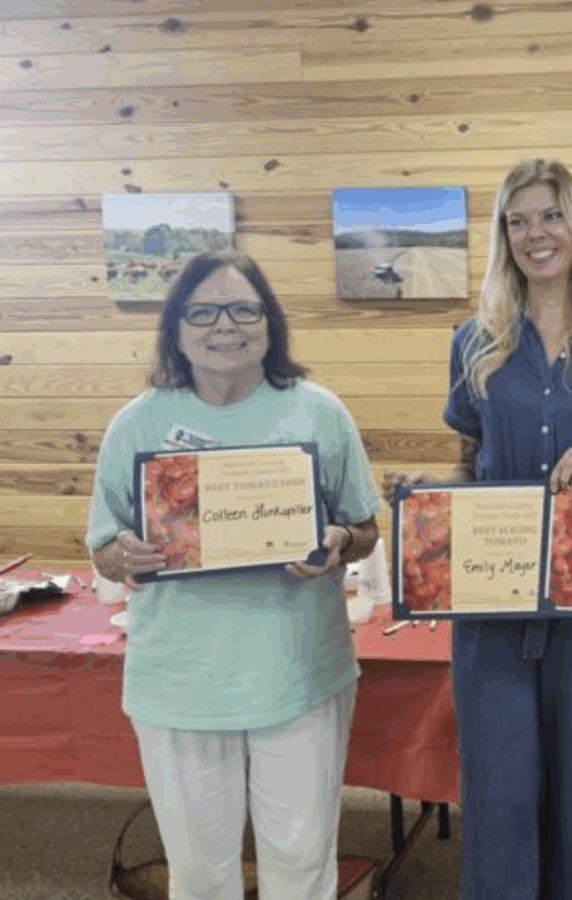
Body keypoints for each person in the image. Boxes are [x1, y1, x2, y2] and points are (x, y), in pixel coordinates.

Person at [385, 158, 572, 900]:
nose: (534, 235)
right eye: (518, 221)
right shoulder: (473, 342)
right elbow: (471, 467)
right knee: (499, 793)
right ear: (502, 236)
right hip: (492, 605)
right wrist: (430, 490)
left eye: (549, 216)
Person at [87, 251, 381, 900]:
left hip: (299, 672)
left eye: (246, 308)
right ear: (176, 327)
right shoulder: (137, 423)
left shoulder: (319, 412)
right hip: (180, 683)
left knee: (302, 864)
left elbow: (365, 527)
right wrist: (124, 556)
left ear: (269, 323)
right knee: (197, 874)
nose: (226, 325)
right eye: (203, 311)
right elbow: (103, 547)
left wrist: (340, 542)